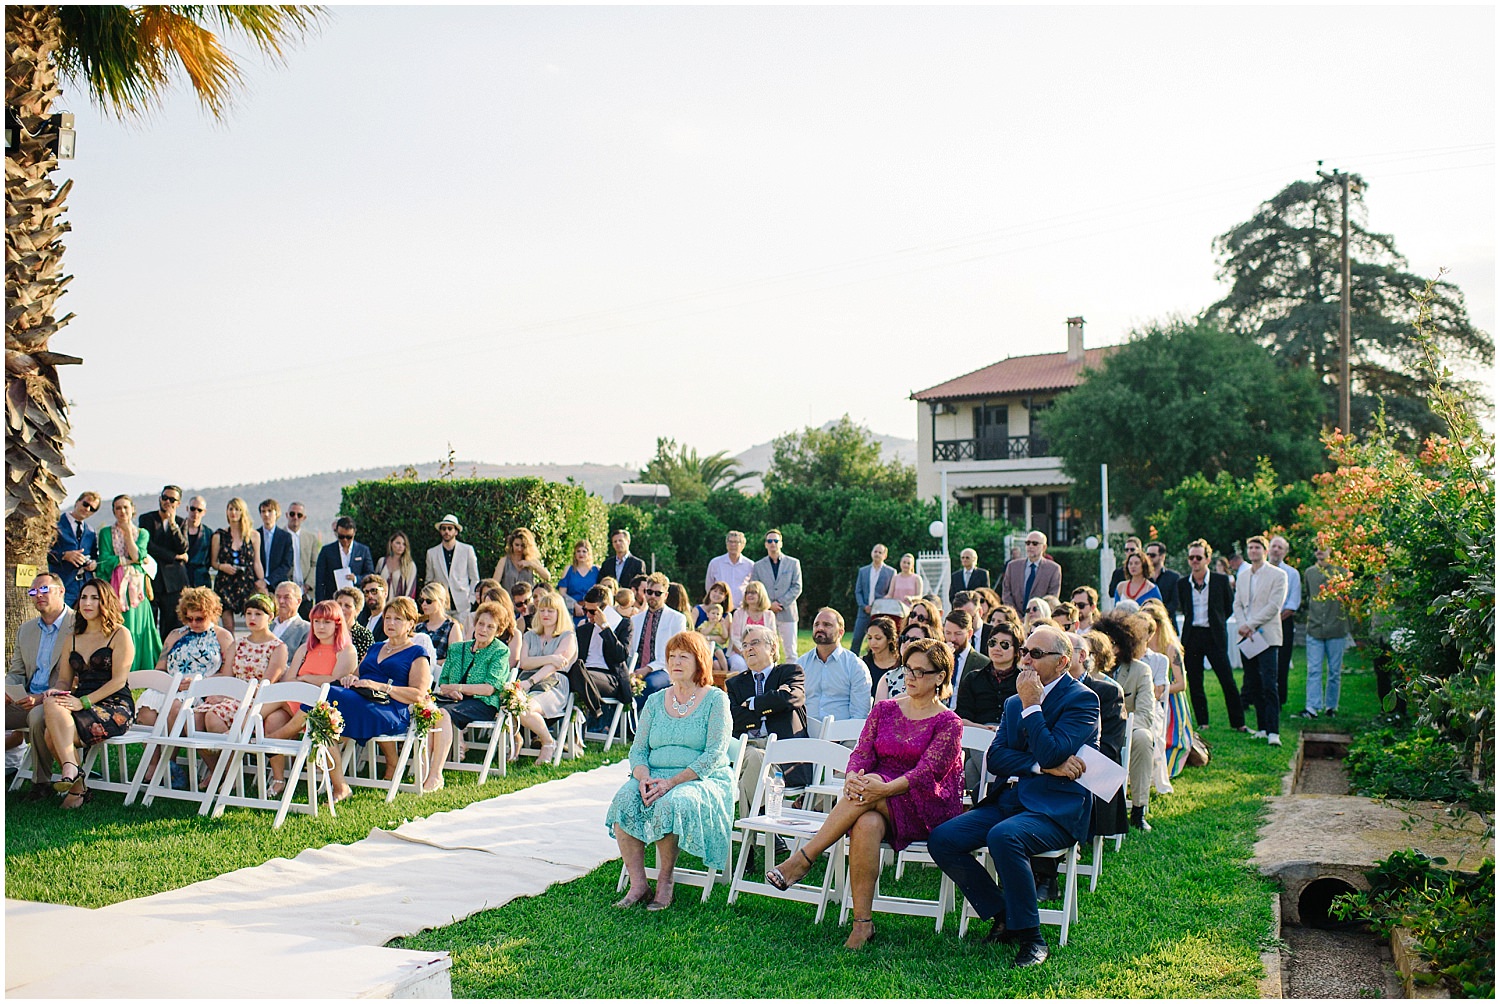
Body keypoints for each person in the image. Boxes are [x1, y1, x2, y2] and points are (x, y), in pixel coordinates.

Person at [767, 638, 964, 950]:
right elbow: (860, 753)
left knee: (869, 789)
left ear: (940, 676)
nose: (910, 677)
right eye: (906, 670)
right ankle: (862, 925)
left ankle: (805, 857)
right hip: (875, 795)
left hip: (926, 803)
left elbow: (927, 773)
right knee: (866, 824)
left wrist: (879, 787)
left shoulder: (948, 722)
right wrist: (852, 777)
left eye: (919, 672)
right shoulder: (885, 709)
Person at [928, 626, 1099, 967]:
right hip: (1014, 798)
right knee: (943, 839)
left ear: (1062, 662)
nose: (1026, 660)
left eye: (1036, 654)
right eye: (1025, 652)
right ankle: (1003, 912)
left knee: (1004, 837)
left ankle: (1032, 938)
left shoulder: (1082, 699)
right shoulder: (1012, 701)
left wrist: (1033, 707)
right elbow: (998, 758)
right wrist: (1038, 766)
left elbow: (1053, 752)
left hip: (1057, 807)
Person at [608, 631, 735, 912]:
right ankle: (639, 884)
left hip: (699, 777)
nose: (675, 662)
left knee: (671, 803)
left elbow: (715, 753)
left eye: (683, 656)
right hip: (653, 775)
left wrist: (672, 782)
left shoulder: (715, 699)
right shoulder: (654, 701)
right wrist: (643, 778)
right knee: (624, 800)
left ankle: (665, 880)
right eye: (671, 656)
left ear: (699, 660)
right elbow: (638, 750)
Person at [321, 596, 438, 800]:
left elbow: (419, 694)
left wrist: (382, 686)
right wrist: (351, 678)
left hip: (391, 709)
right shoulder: (375, 647)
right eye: (388, 618)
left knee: (326, 700)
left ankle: (283, 734)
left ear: (411, 623)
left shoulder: (417, 653)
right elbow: (357, 674)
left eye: (398, 619)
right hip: (361, 700)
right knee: (325, 722)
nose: (391, 623)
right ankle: (340, 786)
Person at [40, 579, 137, 809]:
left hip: (113, 704)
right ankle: (73, 774)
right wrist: (58, 689)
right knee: (52, 702)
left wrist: (83, 702)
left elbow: (118, 681)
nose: (87, 602)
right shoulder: (72, 637)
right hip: (79, 700)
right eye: (84, 597)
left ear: (106, 602)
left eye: (94, 598)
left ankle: (76, 785)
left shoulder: (120, 634)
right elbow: (64, 679)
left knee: (50, 736)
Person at [192, 594, 289, 789]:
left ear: (270, 617)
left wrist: (228, 697)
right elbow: (228, 677)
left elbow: (267, 684)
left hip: (257, 698)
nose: (252, 618)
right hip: (232, 695)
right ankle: (218, 769)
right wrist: (219, 695)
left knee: (213, 717)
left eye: (258, 614)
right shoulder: (239, 644)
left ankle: (230, 774)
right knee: (193, 718)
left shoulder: (278, 647)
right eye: (248, 613)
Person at [726, 623, 810, 810]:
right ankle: (764, 826)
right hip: (748, 746)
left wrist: (752, 704)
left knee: (759, 762)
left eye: (754, 643)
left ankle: (753, 831)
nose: (748, 649)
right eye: (745, 645)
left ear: (772, 648)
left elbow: (791, 698)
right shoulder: (735, 684)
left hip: (784, 751)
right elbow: (733, 717)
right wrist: (773, 703)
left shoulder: (790, 672)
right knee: (756, 757)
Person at [6, 572, 76, 796]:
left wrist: (41, 698)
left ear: (61, 591)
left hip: (59, 700)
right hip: (25, 698)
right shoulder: (25, 630)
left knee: (37, 717)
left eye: (44, 590)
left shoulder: (77, 625)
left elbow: (78, 678)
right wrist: (8, 690)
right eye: (33, 592)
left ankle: (41, 783)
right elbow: (16, 671)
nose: (38, 596)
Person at [428, 599, 515, 776]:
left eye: (490, 627)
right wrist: (451, 690)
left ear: (498, 631)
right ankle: (424, 768)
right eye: (481, 624)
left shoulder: (500, 651)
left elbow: (489, 688)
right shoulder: (457, 648)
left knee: (442, 713)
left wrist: (459, 687)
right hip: (452, 700)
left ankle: (435, 773)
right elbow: (443, 682)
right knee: (426, 709)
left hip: (483, 704)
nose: (483, 629)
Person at [1091, 613, 1157, 830]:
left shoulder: (1140, 671)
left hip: (1128, 728)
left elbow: (1146, 713)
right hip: (1097, 730)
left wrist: (1123, 729)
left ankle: (1139, 809)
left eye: (1115, 643)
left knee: (1142, 739)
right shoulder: (1093, 670)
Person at [1174, 538, 1241, 731]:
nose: (1195, 561)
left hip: (1214, 635)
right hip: (1193, 635)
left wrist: (1217, 621)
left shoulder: (1220, 581)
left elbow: (1228, 607)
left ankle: (1238, 723)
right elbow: (1184, 607)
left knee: (1227, 679)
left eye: (1198, 557)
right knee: (1195, 681)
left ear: (1207, 559)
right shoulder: (1183, 583)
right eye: (1191, 557)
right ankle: (1203, 722)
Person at [97, 494, 162, 673]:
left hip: (136, 589)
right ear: (113, 511)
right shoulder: (105, 533)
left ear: (133, 509)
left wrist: (127, 533)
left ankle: (138, 666)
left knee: (137, 624)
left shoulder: (142, 534)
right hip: (115, 588)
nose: (122, 511)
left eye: (126, 507)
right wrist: (126, 561)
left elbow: (137, 556)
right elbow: (105, 559)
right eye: (118, 508)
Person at [1234, 535, 1288, 746]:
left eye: (1257, 547)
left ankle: (1274, 731)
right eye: (1251, 547)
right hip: (1247, 636)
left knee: (1269, 684)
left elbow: (1274, 606)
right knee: (1253, 682)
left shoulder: (1278, 575)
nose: (1254, 551)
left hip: (1267, 635)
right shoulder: (1243, 575)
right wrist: (1242, 624)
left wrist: (1252, 624)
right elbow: (1237, 603)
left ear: (1264, 551)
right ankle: (1263, 728)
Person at [515, 590, 578, 761]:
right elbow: (524, 662)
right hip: (526, 678)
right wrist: (550, 657)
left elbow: (554, 667)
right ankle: (515, 739)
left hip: (553, 683)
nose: (545, 614)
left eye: (550, 610)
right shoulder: (529, 635)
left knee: (525, 709)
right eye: (542, 610)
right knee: (510, 705)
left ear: (559, 613)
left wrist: (531, 680)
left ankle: (548, 742)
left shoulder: (568, 636)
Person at [1142, 600, 1194, 780]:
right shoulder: (1141, 648)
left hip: (1170, 703)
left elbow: (1181, 684)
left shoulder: (1170, 648)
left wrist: (1160, 689)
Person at [1296, 546, 1349, 720]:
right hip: (1315, 628)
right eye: (1317, 548)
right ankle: (1312, 707)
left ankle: (1331, 707)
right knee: (1314, 670)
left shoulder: (1342, 572)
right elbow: (1309, 597)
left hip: (1336, 628)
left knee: (1334, 671)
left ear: (1331, 550)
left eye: (1323, 548)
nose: (1319, 551)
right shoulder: (1309, 573)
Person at [799, 608, 872, 726]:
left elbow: (860, 714)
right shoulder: (801, 665)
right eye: (816, 624)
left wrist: (839, 737)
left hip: (843, 739)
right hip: (805, 736)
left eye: (827, 625)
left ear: (841, 633)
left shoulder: (855, 666)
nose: (820, 628)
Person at [630, 572, 690, 706]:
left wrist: (648, 669)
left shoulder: (677, 618)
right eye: (649, 592)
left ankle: (629, 725)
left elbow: (676, 653)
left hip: (664, 669)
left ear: (666, 595)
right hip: (636, 668)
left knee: (648, 685)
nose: (652, 596)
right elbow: (630, 650)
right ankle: (613, 725)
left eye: (658, 593)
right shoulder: (635, 619)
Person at [140, 485, 190, 635]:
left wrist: (173, 524)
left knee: (172, 625)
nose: (167, 502)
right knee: (149, 624)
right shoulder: (147, 519)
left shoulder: (181, 522)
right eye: (164, 498)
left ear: (178, 503)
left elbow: (183, 547)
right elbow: (149, 546)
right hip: (152, 579)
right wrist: (173, 556)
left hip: (174, 583)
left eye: (172, 499)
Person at [211, 497, 264, 632]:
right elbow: (213, 562)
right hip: (225, 583)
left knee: (252, 622)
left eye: (237, 509)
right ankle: (230, 651)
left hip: (246, 582)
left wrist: (262, 582)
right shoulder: (219, 535)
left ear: (243, 512)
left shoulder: (253, 536)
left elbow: (257, 562)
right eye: (231, 509)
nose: (233, 512)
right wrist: (223, 567)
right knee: (228, 625)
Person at [576, 585, 634, 709]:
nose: (588, 615)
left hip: (610, 677)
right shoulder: (583, 629)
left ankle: (596, 714)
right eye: (585, 610)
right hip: (584, 672)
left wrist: (605, 628)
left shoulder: (624, 624)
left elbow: (620, 656)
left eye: (592, 612)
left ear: (605, 609)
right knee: (572, 675)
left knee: (581, 676)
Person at [751, 528, 803, 663]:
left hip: (787, 612)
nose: (773, 543)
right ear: (765, 544)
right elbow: (755, 588)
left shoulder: (793, 563)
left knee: (790, 651)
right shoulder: (758, 566)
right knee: (767, 649)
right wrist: (769, 605)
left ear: (781, 543)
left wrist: (780, 603)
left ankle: (793, 680)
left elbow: (797, 586)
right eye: (769, 541)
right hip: (766, 613)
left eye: (775, 540)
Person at [426, 514, 480, 631]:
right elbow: (429, 580)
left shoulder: (467, 550)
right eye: (443, 528)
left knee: (462, 638)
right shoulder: (432, 553)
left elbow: (475, 578)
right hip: (441, 605)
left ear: (456, 531)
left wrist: (471, 600)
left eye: (450, 528)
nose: (447, 531)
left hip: (463, 605)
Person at [48, 491, 100, 607]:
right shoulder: (55, 524)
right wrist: (64, 555)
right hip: (62, 583)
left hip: (84, 587)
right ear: (77, 502)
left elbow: (95, 557)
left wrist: (92, 564)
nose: (87, 509)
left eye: (92, 509)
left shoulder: (91, 532)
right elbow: (42, 553)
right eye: (85, 504)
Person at [1268, 535, 1302, 711]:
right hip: (1260, 624)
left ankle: (1279, 700)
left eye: (1280, 548)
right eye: (1274, 546)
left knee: (1281, 663)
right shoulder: (1256, 571)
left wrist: (1272, 619)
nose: (1276, 550)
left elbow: (1292, 604)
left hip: (1283, 622)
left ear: (1285, 552)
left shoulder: (1292, 574)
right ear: (1268, 549)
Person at [316, 516, 376, 602]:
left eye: (348, 537)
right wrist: (320, 604)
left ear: (354, 533)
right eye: (341, 536)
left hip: (356, 600)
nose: (345, 540)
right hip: (333, 599)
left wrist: (356, 578)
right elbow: (320, 580)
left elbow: (370, 574)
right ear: (336, 532)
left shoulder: (363, 550)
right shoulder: (327, 551)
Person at [851, 543, 895, 656]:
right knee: (857, 638)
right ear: (871, 553)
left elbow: (890, 594)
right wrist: (864, 606)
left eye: (880, 552)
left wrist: (877, 606)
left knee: (880, 640)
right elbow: (858, 591)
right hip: (863, 611)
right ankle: (851, 662)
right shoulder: (863, 571)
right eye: (875, 551)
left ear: (885, 555)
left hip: (880, 613)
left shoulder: (891, 572)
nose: (877, 554)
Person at [1001, 532, 1062, 611]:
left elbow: (1052, 598)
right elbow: (1006, 593)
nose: (1030, 546)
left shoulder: (1053, 569)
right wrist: (1016, 616)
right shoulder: (1012, 566)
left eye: (1035, 543)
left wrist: (1032, 615)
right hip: (1014, 617)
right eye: (1028, 543)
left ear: (1044, 547)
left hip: (1038, 618)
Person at [730, 580, 777, 670]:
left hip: (763, 653)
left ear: (761, 595)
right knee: (740, 665)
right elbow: (735, 638)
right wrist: (747, 652)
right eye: (747, 593)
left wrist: (761, 654)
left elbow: (772, 638)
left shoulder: (769, 615)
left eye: (753, 592)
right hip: (740, 653)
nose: (749, 595)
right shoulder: (738, 613)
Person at [415, 582, 464, 663]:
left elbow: (456, 658)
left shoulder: (452, 627)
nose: (424, 604)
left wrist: (430, 663)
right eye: (421, 600)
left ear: (441, 601)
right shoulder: (418, 627)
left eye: (429, 601)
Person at [704, 530, 755, 607]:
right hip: (719, 609)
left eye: (736, 542)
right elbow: (709, 586)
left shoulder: (750, 565)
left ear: (743, 545)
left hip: (742, 609)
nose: (733, 545)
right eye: (730, 542)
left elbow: (753, 588)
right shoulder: (715, 563)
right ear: (726, 544)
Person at [493, 527, 553, 592]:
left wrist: (531, 564)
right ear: (511, 544)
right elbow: (494, 584)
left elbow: (547, 577)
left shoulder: (532, 560)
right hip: (509, 600)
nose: (519, 549)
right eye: (517, 545)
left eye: (522, 546)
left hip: (528, 601)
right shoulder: (504, 561)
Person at [556, 539, 600, 624]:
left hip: (591, 612)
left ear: (589, 554)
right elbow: (562, 593)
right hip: (572, 612)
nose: (581, 554)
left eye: (584, 551)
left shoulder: (597, 570)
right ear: (575, 554)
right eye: (578, 551)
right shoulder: (568, 569)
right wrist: (574, 605)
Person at [255, 499, 295, 593]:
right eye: (263, 511)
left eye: (269, 511)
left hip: (277, 585)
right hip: (257, 585)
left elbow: (286, 564)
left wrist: (267, 581)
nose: (266, 514)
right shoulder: (255, 535)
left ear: (276, 513)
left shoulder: (285, 537)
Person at [864, 615, 904, 702]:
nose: (872, 642)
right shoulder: (863, 664)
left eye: (878, 638)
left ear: (890, 639)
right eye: (869, 638)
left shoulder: (901, 664)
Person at [334, 586, 376, 660]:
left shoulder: (364, 636)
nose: (342, 608)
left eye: (347, 606)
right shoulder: (327, 630)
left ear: (357, 610)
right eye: (339, 604)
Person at [270, 582, 311, 655]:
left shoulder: (306, 629)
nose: (281, 601)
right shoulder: (267, 625)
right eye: (278, 597)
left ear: (298, 601)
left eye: (287, 597)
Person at [1144, 541, 1181, 621]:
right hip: (1146, 621)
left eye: (1152, 555)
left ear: (1162, 556)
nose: (1149, 558)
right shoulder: (1143, 577)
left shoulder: (1173, 577)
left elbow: (1175, 603)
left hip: (1168, 621)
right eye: (1147, 555)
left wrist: (1158, 614)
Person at [378, 531, 419, 601]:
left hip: (399, 607)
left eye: (404, 544)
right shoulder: (382, 562)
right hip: (381, 605)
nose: (401, 546)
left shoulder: (410, 565)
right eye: (398, 543)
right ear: (391, 543)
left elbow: (410, 591)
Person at [183, 496, 214, 588]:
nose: (195, 513)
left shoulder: (209, 533)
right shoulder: (178, 530)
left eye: (199, 510)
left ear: (204, 512)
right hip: (180, 580)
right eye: (192, 509)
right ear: (187, 508)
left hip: (201, 581)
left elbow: (210, 559)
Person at [697, 603, 732, 677]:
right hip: (708, 646)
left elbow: (725, 636)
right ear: (707, 614)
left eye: (718, 614)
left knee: (719, 652)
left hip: (718, 646)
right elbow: (703, 632)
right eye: (713, 613)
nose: (715, 616)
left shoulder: (720, 626)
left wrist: (723, 625)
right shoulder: (705, 624)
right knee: (716, 665)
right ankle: (718, 678)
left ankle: (726, 671)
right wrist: (712, 625)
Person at [358, 575, 389, 641]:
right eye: (366, 592)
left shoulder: (389, 620)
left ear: (385, 594)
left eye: (374, 591)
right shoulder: (362, 620)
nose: (370, 596)